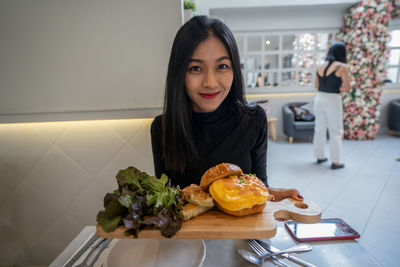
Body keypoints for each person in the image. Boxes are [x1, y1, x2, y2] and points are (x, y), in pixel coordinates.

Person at [151, 15, 303, 202]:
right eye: (196, 68)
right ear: (179, 73)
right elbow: (165, 199)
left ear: (234, 70)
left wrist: (275, 194)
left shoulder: (254, 120)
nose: (210, 82)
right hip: (189, 231)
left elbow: (257, 185)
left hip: (242, 230)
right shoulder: (163, 127)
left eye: (222, 66)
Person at [313, 41, 350, 169]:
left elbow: (316, 86)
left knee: (319, 130)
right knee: (336, 131)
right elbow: (347, 87)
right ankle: (336, 161)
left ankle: (320, 156)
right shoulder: (342, 67)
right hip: (333, 99)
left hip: (319, 99)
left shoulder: (320, 66)